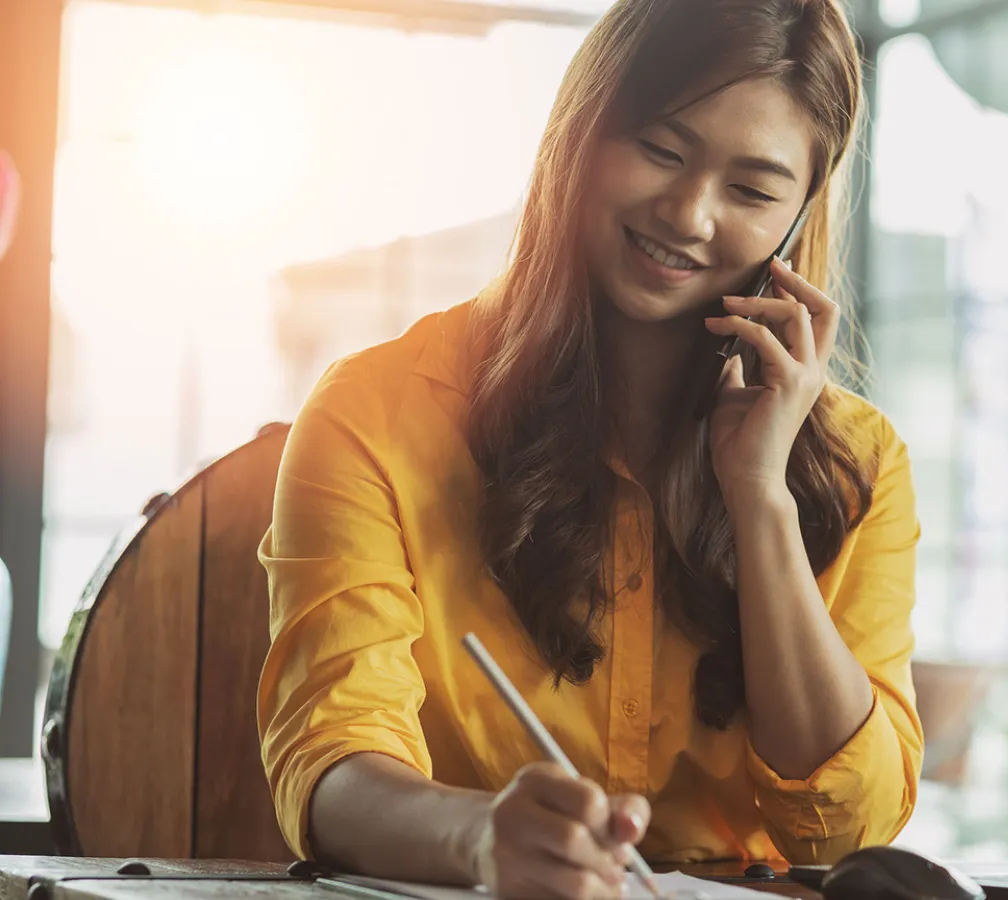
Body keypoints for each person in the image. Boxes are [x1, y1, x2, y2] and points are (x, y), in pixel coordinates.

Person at [255, 2, 924, 898]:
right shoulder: (372, 414)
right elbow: (329, 763)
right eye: (660, 148)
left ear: (799, 217)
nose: (688, 215)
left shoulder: (860, 459)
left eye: (753, 191)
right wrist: (482, 840)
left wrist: (760, 493)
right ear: (583, 129)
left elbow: (853, 825)